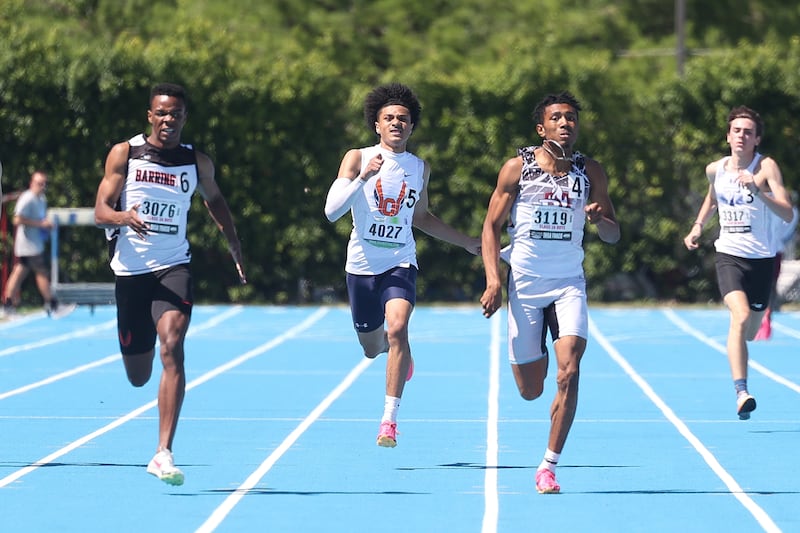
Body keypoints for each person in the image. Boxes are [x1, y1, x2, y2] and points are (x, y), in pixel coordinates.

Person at [94, 82, 246, 486]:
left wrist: (232, 241)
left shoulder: (196, 162)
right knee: (138, 376)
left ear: (184, 118)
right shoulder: (125, 154)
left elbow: (214, 198)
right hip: (130, 273)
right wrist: (124, 217)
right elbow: (100, 210)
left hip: (173, 267)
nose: (168, 120)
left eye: (175, 114)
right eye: (161, 113)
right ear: (150, 115)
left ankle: (163, 452)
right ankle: (140, 370)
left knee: (173, 345)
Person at [324, 83, 480, 448]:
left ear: (411, 127)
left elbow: (422, 217)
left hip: (400, 262)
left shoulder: (419, 168)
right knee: (371, 346)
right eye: (389, 118)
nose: (396, 123)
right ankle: (396, 354)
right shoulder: (357, 158)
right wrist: (364, 176)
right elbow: (332, 212)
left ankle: (388, 421)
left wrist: (467, 242)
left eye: (403, 119)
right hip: (361, 267)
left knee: (397, 329)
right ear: (376, 125)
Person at [480, 91, 620, 494]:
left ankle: (548, 466)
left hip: (568, 285)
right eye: (557, 118)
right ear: (541, 128)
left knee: (570, 370)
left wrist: (600, 219)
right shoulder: (516, 169)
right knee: (530, 389)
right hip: (524, 284)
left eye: (571, 118)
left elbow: (613, 235)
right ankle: (531, 357)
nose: (565, 123)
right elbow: (490, 228)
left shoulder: (590, 171)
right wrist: (493, 280)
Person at [683, 105, 794, 420]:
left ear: (757, 138)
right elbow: (712, 197)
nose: (742, 136)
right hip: (729, 254)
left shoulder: (766, 166)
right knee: (740, 316)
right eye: (737, 131)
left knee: (751, 328)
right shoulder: (715, 169)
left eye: (748, 132)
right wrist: (698, 226)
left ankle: (746, 341)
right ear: (728, 136)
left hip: (761, 260)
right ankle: (742, 392)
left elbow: (787, 211)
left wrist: (758, 192)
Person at [2, 171, 61, 316]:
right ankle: (52, 302)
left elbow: (41, 218)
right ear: (31, 183)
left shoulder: (41, 199)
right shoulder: (27, 198)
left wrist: (46, 225)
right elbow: (17, 219)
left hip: (35, 243)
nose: (42, 186)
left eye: (44, 184)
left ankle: (7, 302)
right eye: (39, 183)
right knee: (41, 273)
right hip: (28, 245)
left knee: (19, 273)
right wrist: (40, 224)